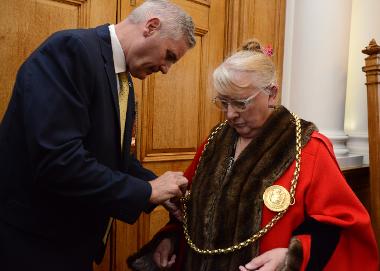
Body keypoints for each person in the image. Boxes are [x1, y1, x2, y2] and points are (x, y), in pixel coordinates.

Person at [127, 39, 379, 270]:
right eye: (223, 102)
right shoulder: (215, 141)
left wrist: (290, 256)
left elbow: (339, 226)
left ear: (271, 93)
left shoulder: (309, 149)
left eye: (241, 102)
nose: (230, 114)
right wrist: (170, 238)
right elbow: (188, 210)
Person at [0, 1, 195, 270]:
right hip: (34, 245)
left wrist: (162, 190)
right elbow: (59, 160)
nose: (166, 69)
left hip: (73, 245)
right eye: (170, 55)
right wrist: (146, 191)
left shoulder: (123, 80)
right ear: (151, 27)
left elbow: (115, 160)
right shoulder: (71, 50)